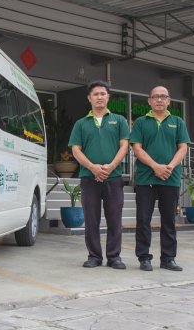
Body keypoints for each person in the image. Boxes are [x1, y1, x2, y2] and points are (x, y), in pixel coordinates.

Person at [69, 80, 129, 269]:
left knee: (114, 219)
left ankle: (114, 257)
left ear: (108, 97)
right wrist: (92, 167)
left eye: (103, 94)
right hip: (89, 178)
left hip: (114, 177)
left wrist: (111, 166)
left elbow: (125, 146)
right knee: (91, 219)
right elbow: (76, 150)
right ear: (89, 98)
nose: (100, 97)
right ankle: (94, 256)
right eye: (96, 94)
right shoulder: (81, 123)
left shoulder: (119, 120)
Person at [130, 86, 190, 272]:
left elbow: (183, 147)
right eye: (155, 97)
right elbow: (137, 148)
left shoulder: (177, 122)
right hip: (145, 178)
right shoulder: (141, 122)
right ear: (149, 101)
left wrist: (170, 166)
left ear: (169, 100)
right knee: (143, 219)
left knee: (169, 220)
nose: (159, 100)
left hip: (170, 178)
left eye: (163, 97)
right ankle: (144, 257)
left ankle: (168, 258)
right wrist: (155, 166)